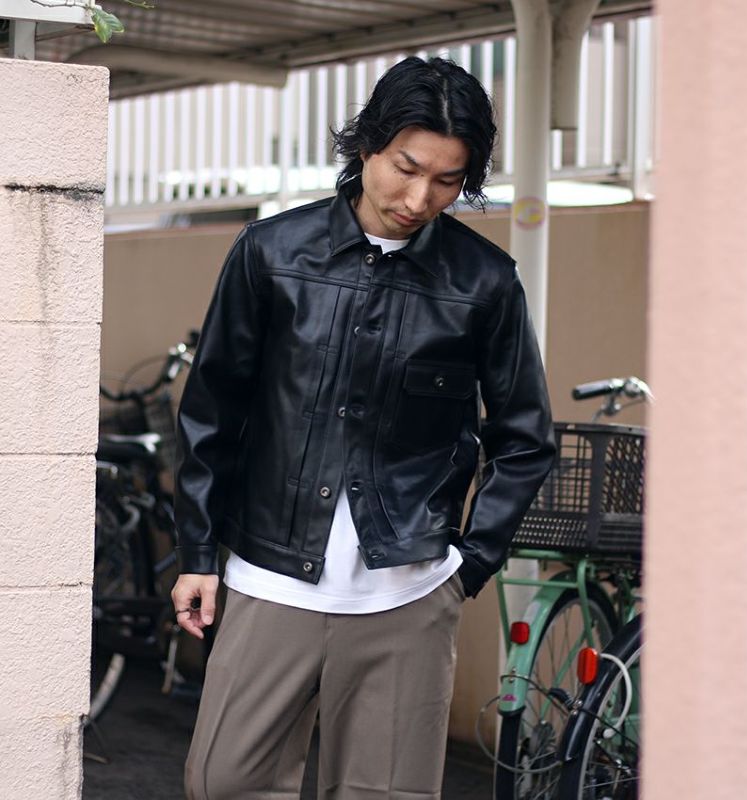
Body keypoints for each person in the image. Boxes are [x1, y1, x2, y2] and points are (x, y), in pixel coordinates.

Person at [172, 55, 555, 800]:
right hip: (269, 574)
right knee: (223, 781)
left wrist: (467, 565)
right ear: (368, 144)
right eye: (406, 168)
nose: (419, 198)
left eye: (446, 180)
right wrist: (196, 550)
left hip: (408, 591)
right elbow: (212, 409)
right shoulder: (272, 253)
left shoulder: (485, 282)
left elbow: (525, 437)